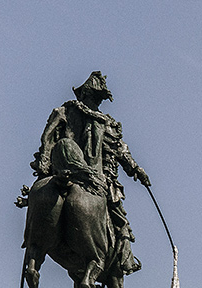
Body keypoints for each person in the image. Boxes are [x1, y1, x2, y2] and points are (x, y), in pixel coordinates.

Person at [31, 71, 148, 275]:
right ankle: (125, 261)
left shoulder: (65, 110)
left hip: (63, 169)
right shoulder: (107, 123)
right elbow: (121, 151)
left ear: (84, 93)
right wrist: (137, 170)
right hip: (98, 179)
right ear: (99, 98)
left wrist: (44, 164)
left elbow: (47, 137)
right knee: (121, 223)